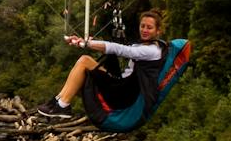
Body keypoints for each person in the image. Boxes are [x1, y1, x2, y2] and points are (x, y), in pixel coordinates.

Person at [35, 9, 165, 120]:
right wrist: (87, 42)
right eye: (142, 26)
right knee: (83, 60)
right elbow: (123, 47)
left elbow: (122, 50)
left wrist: (88, 44)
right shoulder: (143, 45)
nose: (144, 30)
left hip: (124, 93)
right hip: (123, 86)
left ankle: (63, 105)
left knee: (85, 61)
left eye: (149, 27)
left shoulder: (152, 50)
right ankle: (59, 101)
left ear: (158, 31)